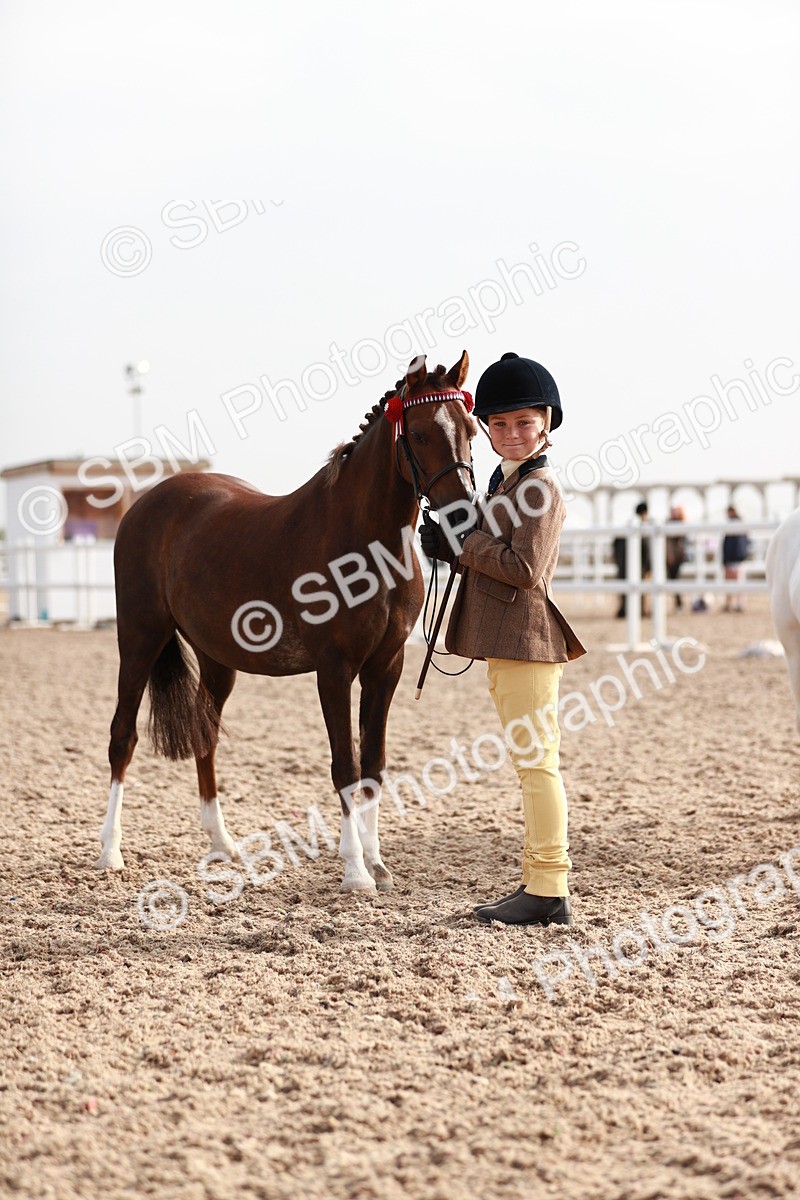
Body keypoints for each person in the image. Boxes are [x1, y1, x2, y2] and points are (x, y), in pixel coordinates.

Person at [419, 352, 586, 927]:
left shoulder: (539, 488)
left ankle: (548, 887)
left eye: (524, 422)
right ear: (486, 429)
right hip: (510, 644)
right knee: (531, 764)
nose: (512, 433)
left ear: (546, 424)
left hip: (526, 643)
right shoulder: (506, 484)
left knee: (537, 767)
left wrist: (462, 544)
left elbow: (525, 568)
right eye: (500, 423)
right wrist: (452, 548)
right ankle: (542, 881)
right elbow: (495, 554)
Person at [612, 501, 651, 618]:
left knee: (624, 588)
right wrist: (648, 567)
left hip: (623, 564)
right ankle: (641, 610)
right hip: (638, 565)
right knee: (641, 588)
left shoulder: (626, 527)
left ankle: (624, 609)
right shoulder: (642, 528)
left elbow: (615, 545)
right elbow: (647, 550)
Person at [722, 505, 750, 612]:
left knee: (734, 582)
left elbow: (733, 545)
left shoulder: (735, 525)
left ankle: (734, 603)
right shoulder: (740, 525)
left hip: (735, 558)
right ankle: (735, 603)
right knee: (735, 582)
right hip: (736, 558)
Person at [666, 505, 688, 611]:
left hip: (677, 556)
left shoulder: (679, 523)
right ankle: (677, 602)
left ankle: (678, 602)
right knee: (673, 578)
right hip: (670, 556)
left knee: (675, 578)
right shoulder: (669, 523)